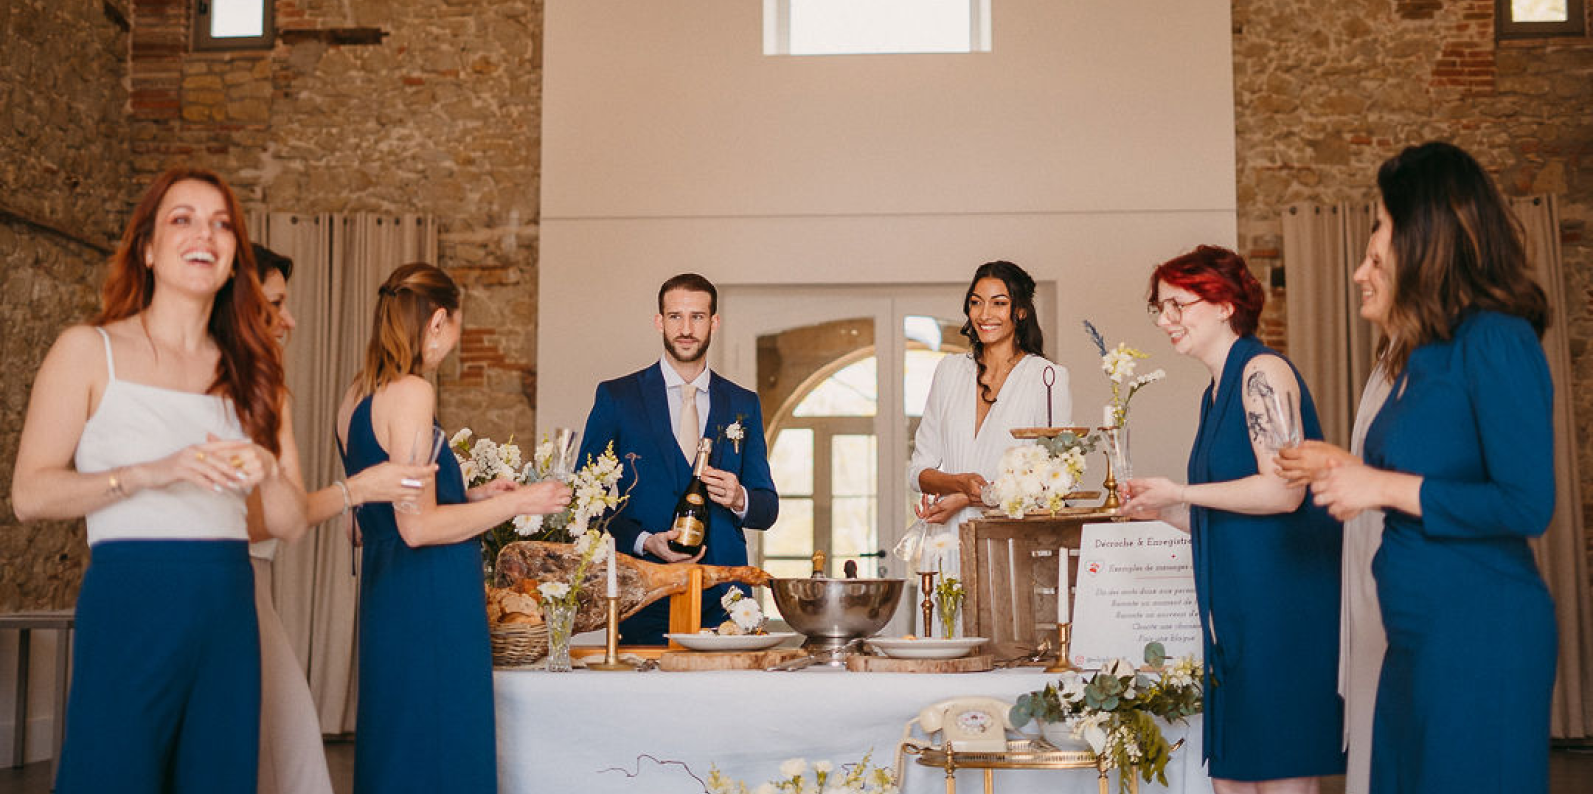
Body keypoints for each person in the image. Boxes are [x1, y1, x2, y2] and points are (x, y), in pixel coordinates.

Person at [11, 167, 308, 793]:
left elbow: (290, 520)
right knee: (110, 777)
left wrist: (269, 469)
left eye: (222, 223)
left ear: (233, 259)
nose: (205, 233)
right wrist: (147, 473)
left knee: (220, 781)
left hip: (228, 608)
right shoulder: (88, 352)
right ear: (147, 248)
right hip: (131, 601)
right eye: (183, 219)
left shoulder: (258, 375)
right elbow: (30, 495)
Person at [1288, 142, 1556, 794]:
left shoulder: (1496, 338)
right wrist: (1349, 468)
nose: (1368, 253)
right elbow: (1430, 476)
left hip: (1480, 635)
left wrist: (1376, 484)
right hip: (1412, 637)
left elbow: (1525, 503)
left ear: (1424, 230)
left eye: (1379, 224)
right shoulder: (1420, 355)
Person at [336, 263, 570, 793]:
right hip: (431, 601)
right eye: (457, 327)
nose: (455, 342)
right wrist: (522, 503)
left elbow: (364, 522)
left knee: (399, 745)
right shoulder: (413, 392)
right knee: (443, 748)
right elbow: (416, 529)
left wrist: (469, 497)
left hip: (384, 595)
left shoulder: (355, 397)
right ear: (438, 321)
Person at [1120, 245, 1344, 793]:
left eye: (1177, 305)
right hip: (1236, 620)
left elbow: (1283, 491)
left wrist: (1183, 489)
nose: (1164, 320)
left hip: (1284, 613)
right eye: (1160, 307)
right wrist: (1167, 508)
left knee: (1281, 778)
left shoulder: (1262, 371)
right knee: (1233, 783)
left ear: (1224, 304)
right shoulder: (1213, 392)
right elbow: (1228, 508)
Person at [248, 244, 435, 794]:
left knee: (289, 753)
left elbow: (293, 517)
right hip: (226, 582)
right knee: (287, 755)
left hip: (256, 583)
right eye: (274, 304)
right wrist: (357, 490)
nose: (290, 320)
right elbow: (272, 520)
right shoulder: (409, 393)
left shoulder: (279, 393)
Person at [576, 273, 778, 645]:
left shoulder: (742, 404)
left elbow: (767, 509)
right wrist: (645, 541)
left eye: (697, 317)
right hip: (641, 597)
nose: (686, 329)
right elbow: (585, 502)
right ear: (659, 321)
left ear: (714, 322)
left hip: (725, 601)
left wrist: (739, 498)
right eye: (675, 317)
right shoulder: (617, 397)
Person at [1275, 235, 1396, 793]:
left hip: (1402, 562)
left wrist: (1347, 469)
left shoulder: (1451, 359)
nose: (1357, 274)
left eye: (1374, 261)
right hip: (1374, 554)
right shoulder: (1388, 358)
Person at [908, 261, 1071, 552]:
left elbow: (1053, 481)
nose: (985, 314)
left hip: (1014, 542)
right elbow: (919, 471)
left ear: (1020, 311)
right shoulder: (949, 371)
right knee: (945, 599)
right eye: (976, 302)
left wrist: (971, 497)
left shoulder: (1047, 378)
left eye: (999, 303)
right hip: (949, 538)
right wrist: (958, 484)